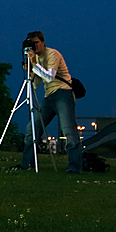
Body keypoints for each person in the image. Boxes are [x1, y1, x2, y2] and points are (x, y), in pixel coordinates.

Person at [17, 31, 82, 173]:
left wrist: (34, 63)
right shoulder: (36, 58)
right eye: (31, 44)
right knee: (32, 129)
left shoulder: (53, 54)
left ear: (43, 42)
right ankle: (26, 164)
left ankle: (74, 167)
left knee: (69, 130)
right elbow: (36, 85)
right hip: (49, 96)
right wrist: (30, 71)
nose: (34, 46)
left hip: (63, 93)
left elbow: (50, 77)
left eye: (36, 43)